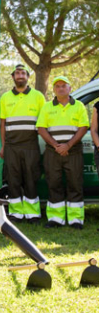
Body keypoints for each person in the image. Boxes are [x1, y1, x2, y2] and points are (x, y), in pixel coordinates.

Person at [36, 76, 89, 230]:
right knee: (54, 183)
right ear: (54, 89)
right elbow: (41, 128)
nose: (60, 88)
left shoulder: (78, 106)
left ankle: (76, 219)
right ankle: (55, 218)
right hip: (53, 152)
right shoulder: (47, 107)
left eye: (63, 85)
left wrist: (68, 145)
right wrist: (56, 145)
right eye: (57, 86)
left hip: (73, 151)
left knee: (75, 183)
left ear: (69, 88)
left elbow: (83, 127)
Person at [0, 64, 45, 223]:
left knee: (31, 177)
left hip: (31, 145)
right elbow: (2, 123)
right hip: (12, 146)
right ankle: (16, 213)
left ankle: (32, 213)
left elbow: (43, 122)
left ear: (27, 77)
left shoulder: (38, 96)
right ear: (13, 77)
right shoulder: (5, 97)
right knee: (13, 179)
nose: (20, 76)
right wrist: (4, 146)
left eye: (23, 73)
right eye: (17, 73)